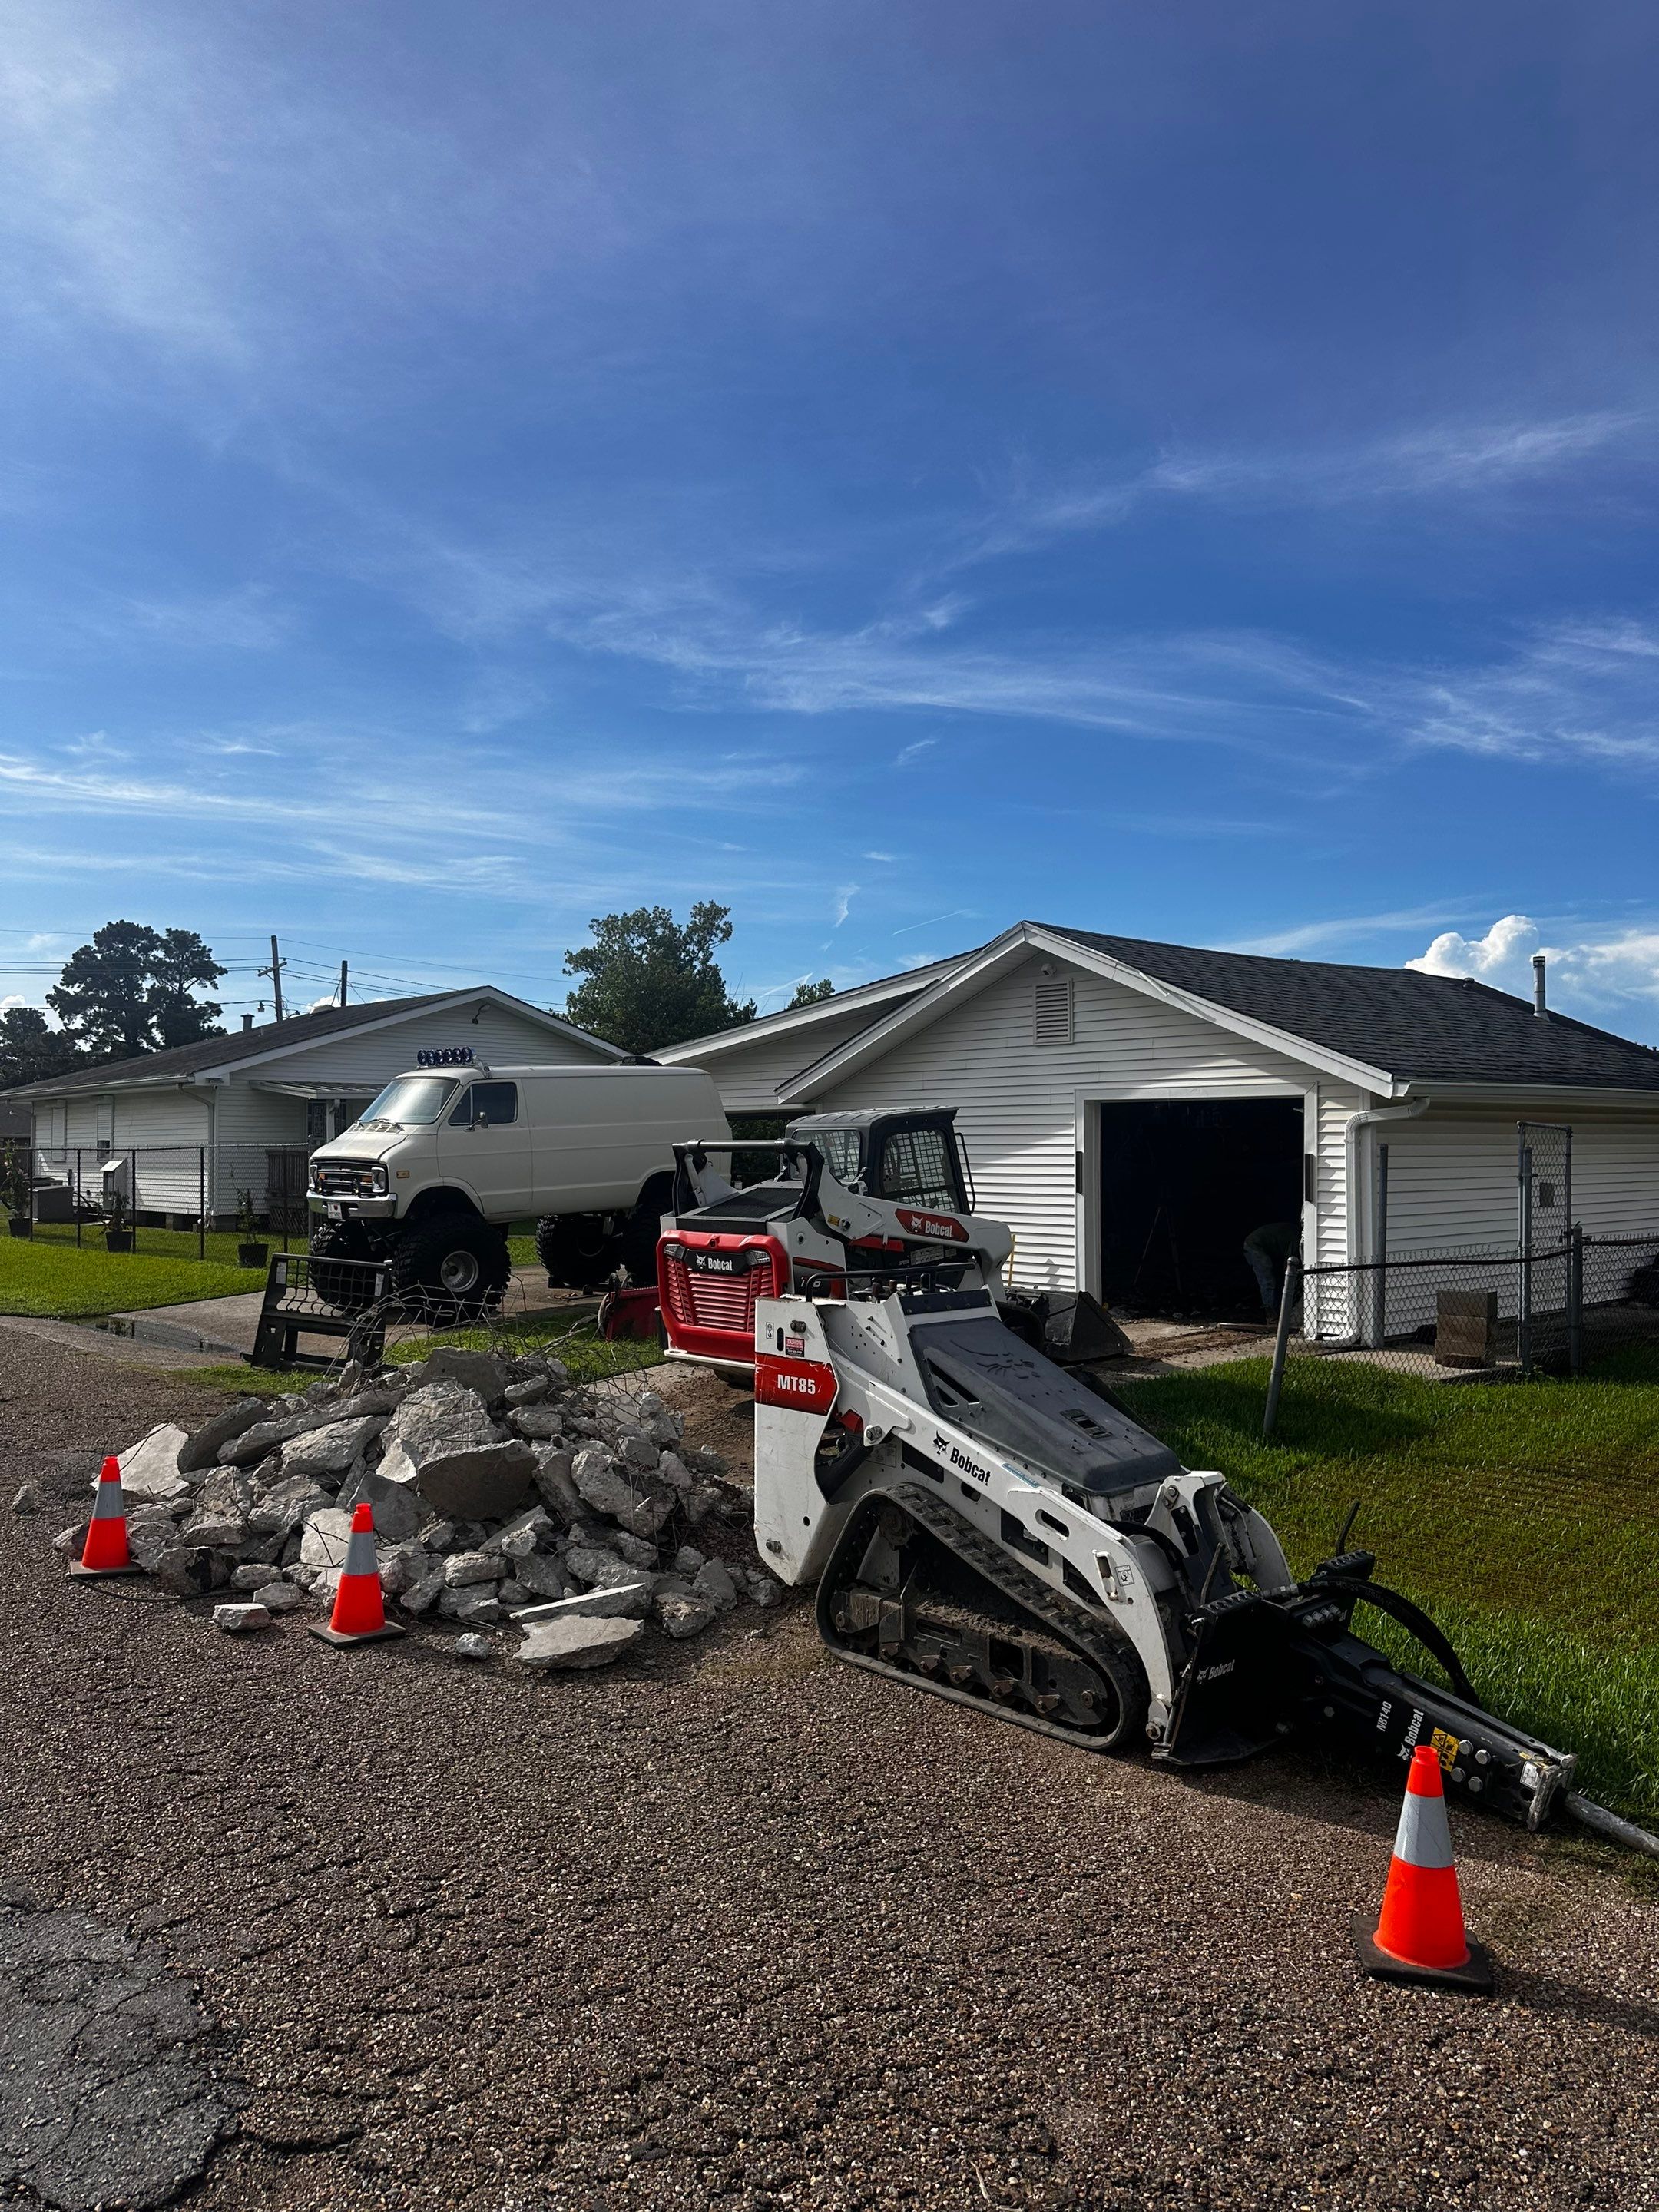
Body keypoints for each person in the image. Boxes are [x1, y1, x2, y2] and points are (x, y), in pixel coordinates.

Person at [1242, 1220, 1300, 1319]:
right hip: (1255, 1245)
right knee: (1268, 1281)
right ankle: (1271, 1316)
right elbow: (1288, 1267)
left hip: (1265, 1246)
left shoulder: (1294, 1234)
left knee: (1275, 1279)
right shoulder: (1296, 1239)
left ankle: (1277, 1312)